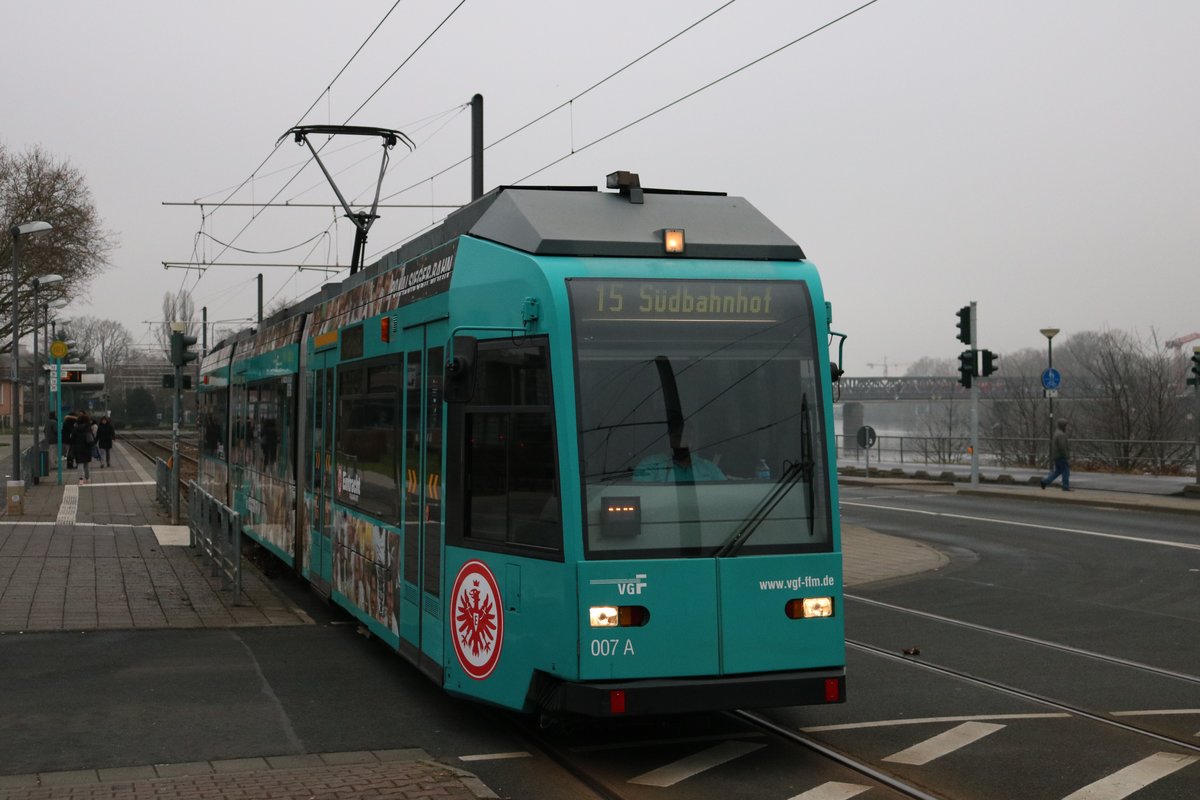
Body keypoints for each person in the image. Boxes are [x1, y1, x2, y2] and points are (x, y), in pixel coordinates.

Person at [1040, 419, 1071, 491]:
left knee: (1057, 471)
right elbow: (1062, 447)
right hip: (1061, 456)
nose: (1066, 427)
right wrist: (1066, 456)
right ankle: (1065, 486)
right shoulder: (1061, 435)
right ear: (1063, 426)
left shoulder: (1056, 433)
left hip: (1056, 456)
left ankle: (1044, 482)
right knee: (1066, 471)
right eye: (1065, 425)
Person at [72, 412, 95, 484]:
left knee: (80, 464)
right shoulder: (88, 428)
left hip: (78, 448)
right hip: (87, 448)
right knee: (86, 464)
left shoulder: (75, 428)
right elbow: (91, 439)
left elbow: (72, 439)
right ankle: (87, 478)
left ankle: (81, 479)